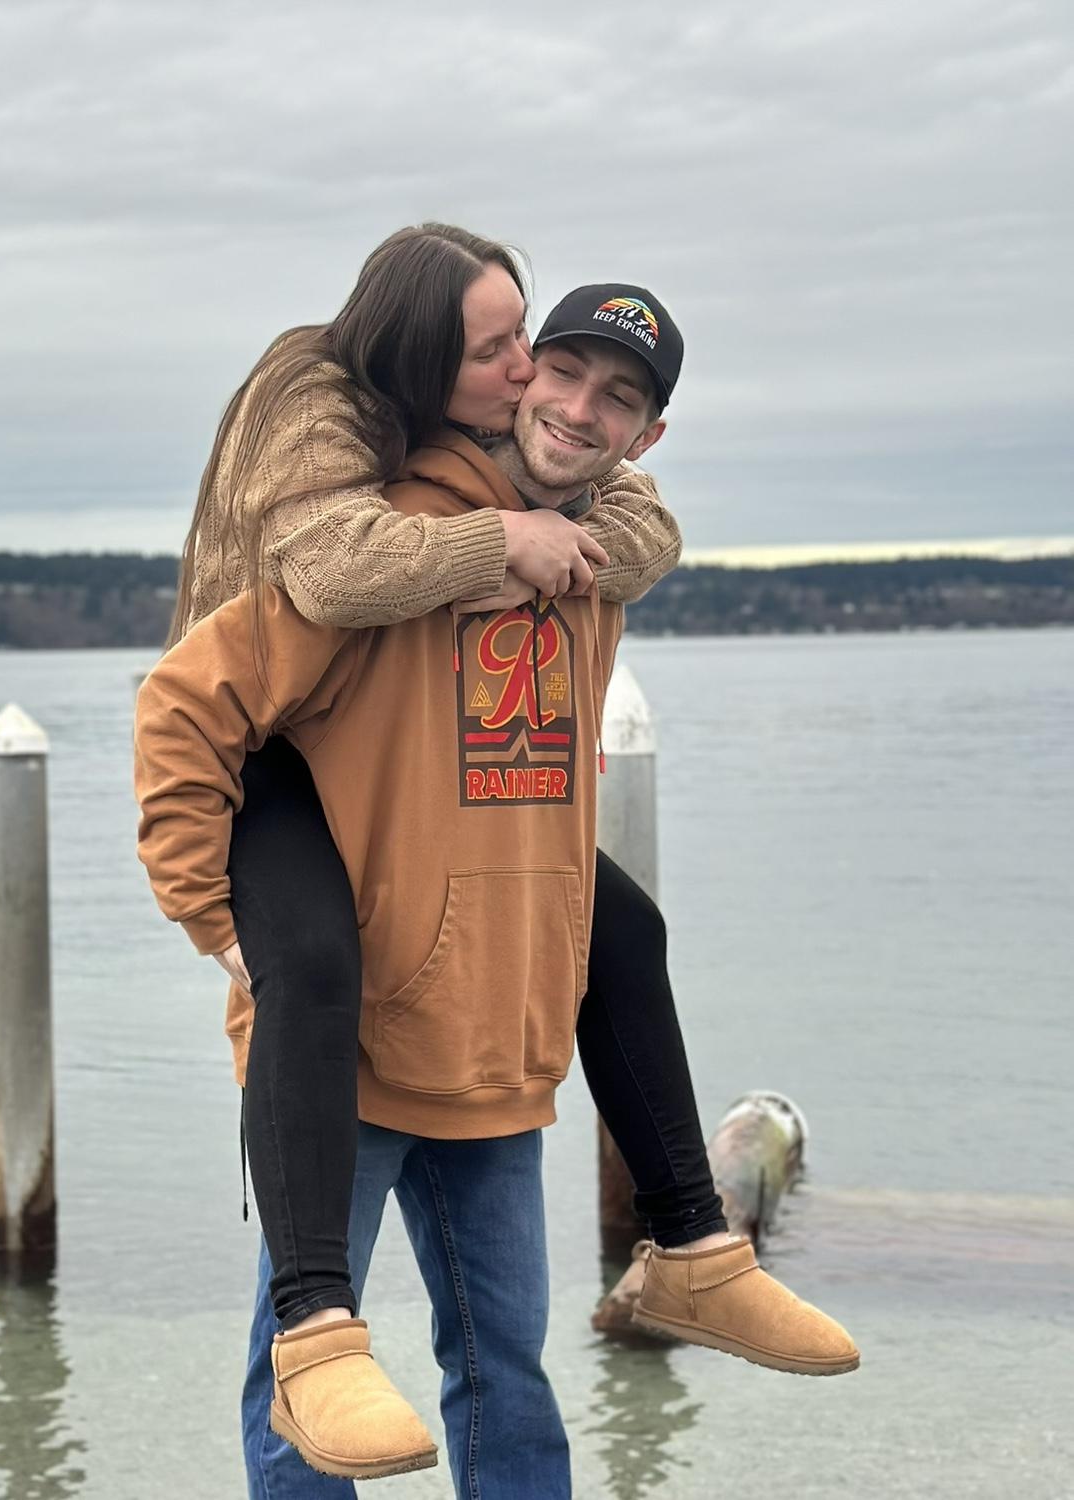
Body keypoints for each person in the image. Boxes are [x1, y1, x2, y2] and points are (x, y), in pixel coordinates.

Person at [139, 233, 857, 1491]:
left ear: (647, 435)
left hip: (496, 1042)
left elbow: (629, 552)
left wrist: (574, 531)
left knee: (507, 1364)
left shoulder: (592, 550)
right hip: (348, 1043)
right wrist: (218, 923)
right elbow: (188, 707)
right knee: (307, 1375)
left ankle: (696, 1252)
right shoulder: (365, 538)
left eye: (613, 395)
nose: (559, 392)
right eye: (542, 363)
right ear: (476, 379)